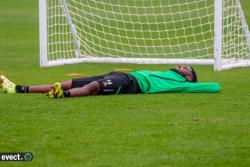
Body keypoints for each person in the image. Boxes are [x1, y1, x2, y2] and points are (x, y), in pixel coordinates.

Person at [0, 65, 221, 98]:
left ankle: (62, 95)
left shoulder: (180, 83)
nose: (181, 65)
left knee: (93, 88)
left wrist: (193, 84)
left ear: (188, 77)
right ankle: (18, 89)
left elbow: (215, 86)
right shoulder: (166, 72)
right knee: (68, 81)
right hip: (119, 75)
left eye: (185, 67)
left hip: (131, 84)